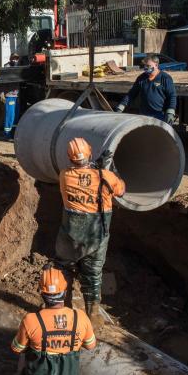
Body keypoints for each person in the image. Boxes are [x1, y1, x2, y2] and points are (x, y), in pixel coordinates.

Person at [55, 138, 125, 327]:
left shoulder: (64, 175)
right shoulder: (105, 177)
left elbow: (82, 177)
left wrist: (95, 168)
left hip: (70, 235)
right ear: (90, 153)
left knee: (63, 268)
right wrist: (108, 171)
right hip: (96, 235)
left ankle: (62, 308)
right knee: (93, 273)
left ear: (69, 158)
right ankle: (93, 315)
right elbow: (121, 190)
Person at [11, 265, 96, 375]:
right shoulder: (80, 317)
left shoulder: (31, 320)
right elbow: (90, 345)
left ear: (42, 293)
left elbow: (16, 349)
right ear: (65, 292)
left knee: (24, 353)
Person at [116, 54, 177, 124]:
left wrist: (170, 112)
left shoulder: (165, 78)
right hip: (144, 115)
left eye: (148, 66)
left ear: (156, 65)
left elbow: (172, 95)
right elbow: (131, 94)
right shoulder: (141, 78)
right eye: (145, 66)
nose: (146, 68)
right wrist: (121, 106)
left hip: (160, 115)